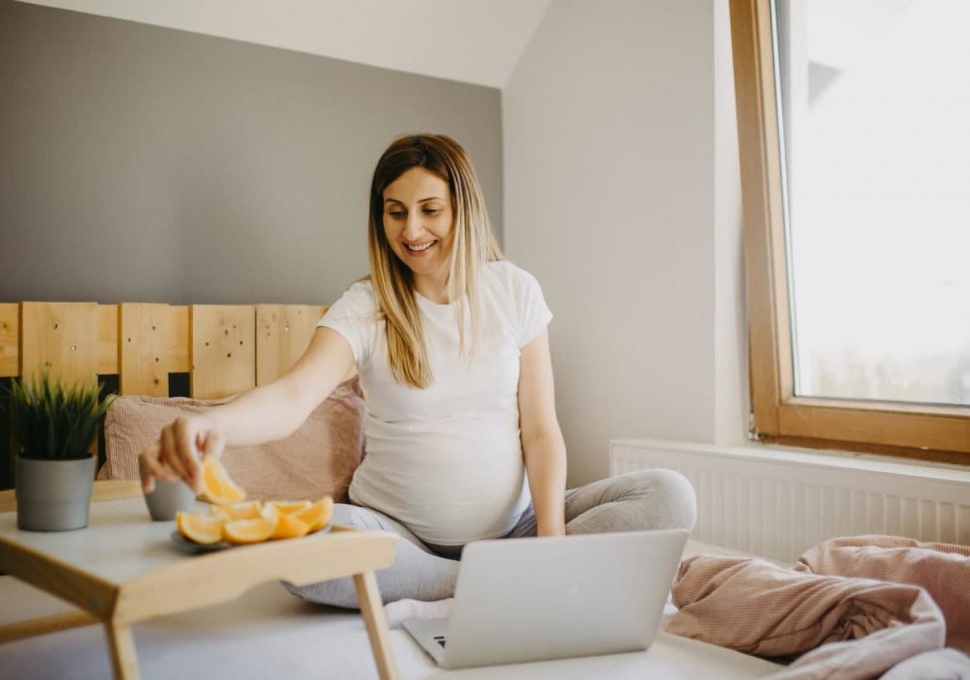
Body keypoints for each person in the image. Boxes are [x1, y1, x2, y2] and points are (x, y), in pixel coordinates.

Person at [139, 133, 697, 608]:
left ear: (463, 208)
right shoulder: (365, 305)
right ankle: (492, 583)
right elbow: (291, 397)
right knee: (305, 554)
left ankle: (518, 572)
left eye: (431, 210)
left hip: (517, 528)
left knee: (669, 495)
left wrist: (550, 540)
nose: (411, 231)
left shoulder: (514, 291)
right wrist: (213, 426)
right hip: (398, 537)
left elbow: (541, 429)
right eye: (395, 211)